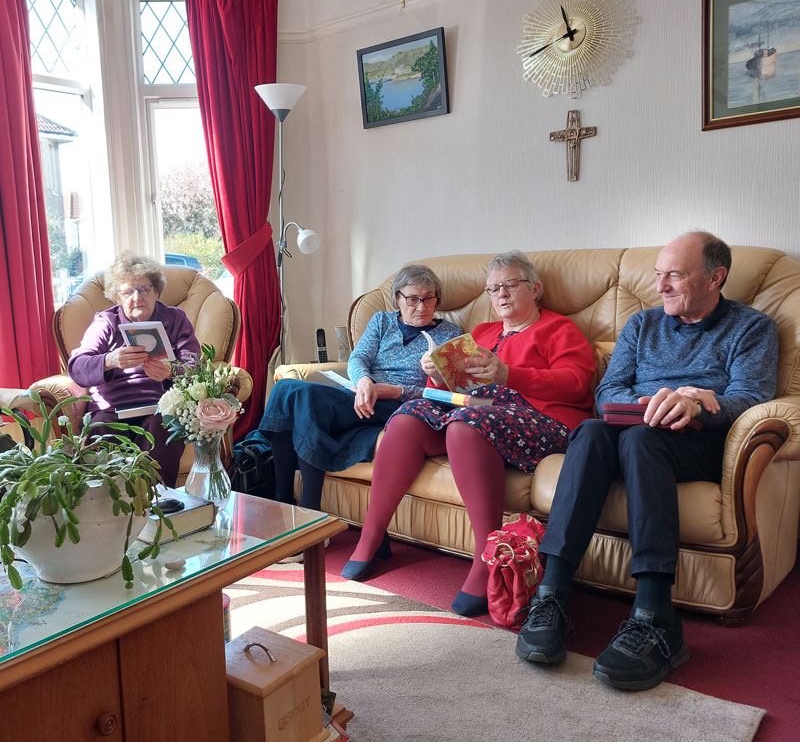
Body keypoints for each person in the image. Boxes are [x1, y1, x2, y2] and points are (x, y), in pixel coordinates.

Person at [515, 231, 779, 691]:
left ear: (716, 277)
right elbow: (606, 392)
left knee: (640, 441)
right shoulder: (642, 325)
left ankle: (656, 615)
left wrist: (702, 400)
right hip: (632, 428)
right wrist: (642, 402)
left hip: (692, 440)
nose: (661, 286)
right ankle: (553, 593)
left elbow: (753, 397)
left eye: (674, 275)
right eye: (658, 275)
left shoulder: (752, 327)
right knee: (593, 430)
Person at [341, 251, 595, 617]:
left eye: (510, 285)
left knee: (465, 424)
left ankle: (484, 558)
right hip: (477, 412)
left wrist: (509, 375)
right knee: (408, 418)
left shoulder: (558, 329)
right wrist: (436, 374)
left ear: (535, 288)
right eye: (493, 288)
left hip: (540, 420)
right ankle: (372, 535)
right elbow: (453, 393)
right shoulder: (481, 333)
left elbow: (577, 384)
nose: (501, 294)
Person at [259, 264, 462, 509]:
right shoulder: (382, 321)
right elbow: (358, 358)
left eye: (429, 299)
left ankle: (308, 510)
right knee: (284, 388)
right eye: (412, 299)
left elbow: (447, 394)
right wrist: (365, 381)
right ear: (397, 299)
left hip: (400, 405)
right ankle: (282, 499)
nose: (421, 307)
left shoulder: (450, 334)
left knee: (307, 400)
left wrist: (395, 390)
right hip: (362, 394)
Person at [68, 252, 201, 487]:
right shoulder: (106, 323)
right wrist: (110, 360)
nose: (137, 298)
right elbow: (77, 368)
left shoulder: (175, 319)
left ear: (156, 291)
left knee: (163, 428)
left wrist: (171, 372)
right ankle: (111, 511)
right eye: (128, 291)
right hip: (112, 410)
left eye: (144, 289)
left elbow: (195, 366)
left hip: (158, 406)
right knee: (104, 435)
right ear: (117, 297)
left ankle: (156, 504)